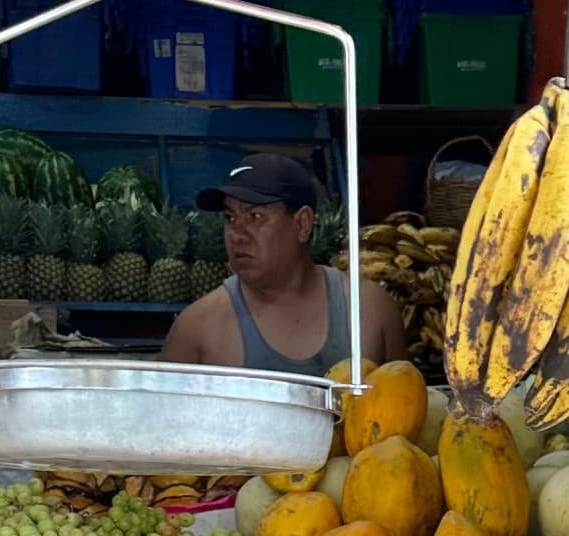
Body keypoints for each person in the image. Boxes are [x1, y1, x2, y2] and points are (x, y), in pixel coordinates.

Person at [161, 153, 407, 375]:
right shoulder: (197, 328)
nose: (237, 233)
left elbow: (406, 409)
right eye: (230, 217)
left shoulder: (369, 310)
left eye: (255, 216)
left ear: (302, 224)